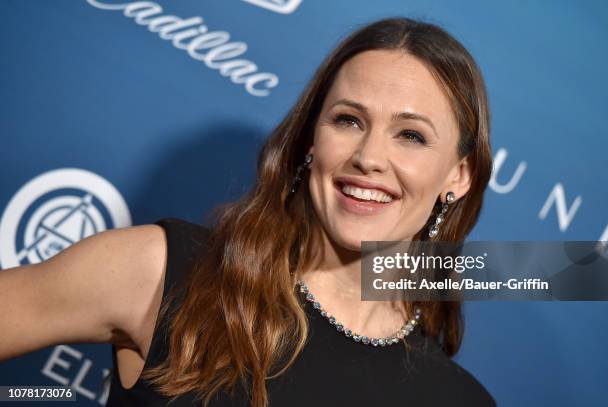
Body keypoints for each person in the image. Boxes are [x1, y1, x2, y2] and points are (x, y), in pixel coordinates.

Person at [0, 17, 495, 406]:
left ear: (459, 176)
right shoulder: (162, 275)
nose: (368, 157)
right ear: (309, 141)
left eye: (411, 135)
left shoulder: (459, 399)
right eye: (348, 120)